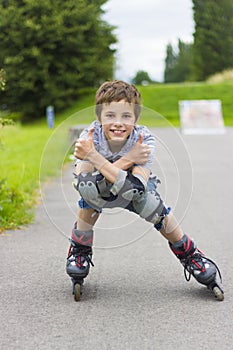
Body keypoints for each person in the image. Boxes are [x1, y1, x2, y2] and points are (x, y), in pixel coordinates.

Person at [66, 80, 223, 300]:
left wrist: (96, 160)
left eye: (126, 116)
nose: (118, 123)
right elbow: (85, 185)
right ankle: (80, 249)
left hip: (132, 190)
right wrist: (128, 159)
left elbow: (136, 188)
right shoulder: (89, 137)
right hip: (99, 192)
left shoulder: (144, 139)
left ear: (136, 119)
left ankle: (189, 253)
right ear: (99, 118)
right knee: (89, 195)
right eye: (110, 115)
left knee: (148, 203)